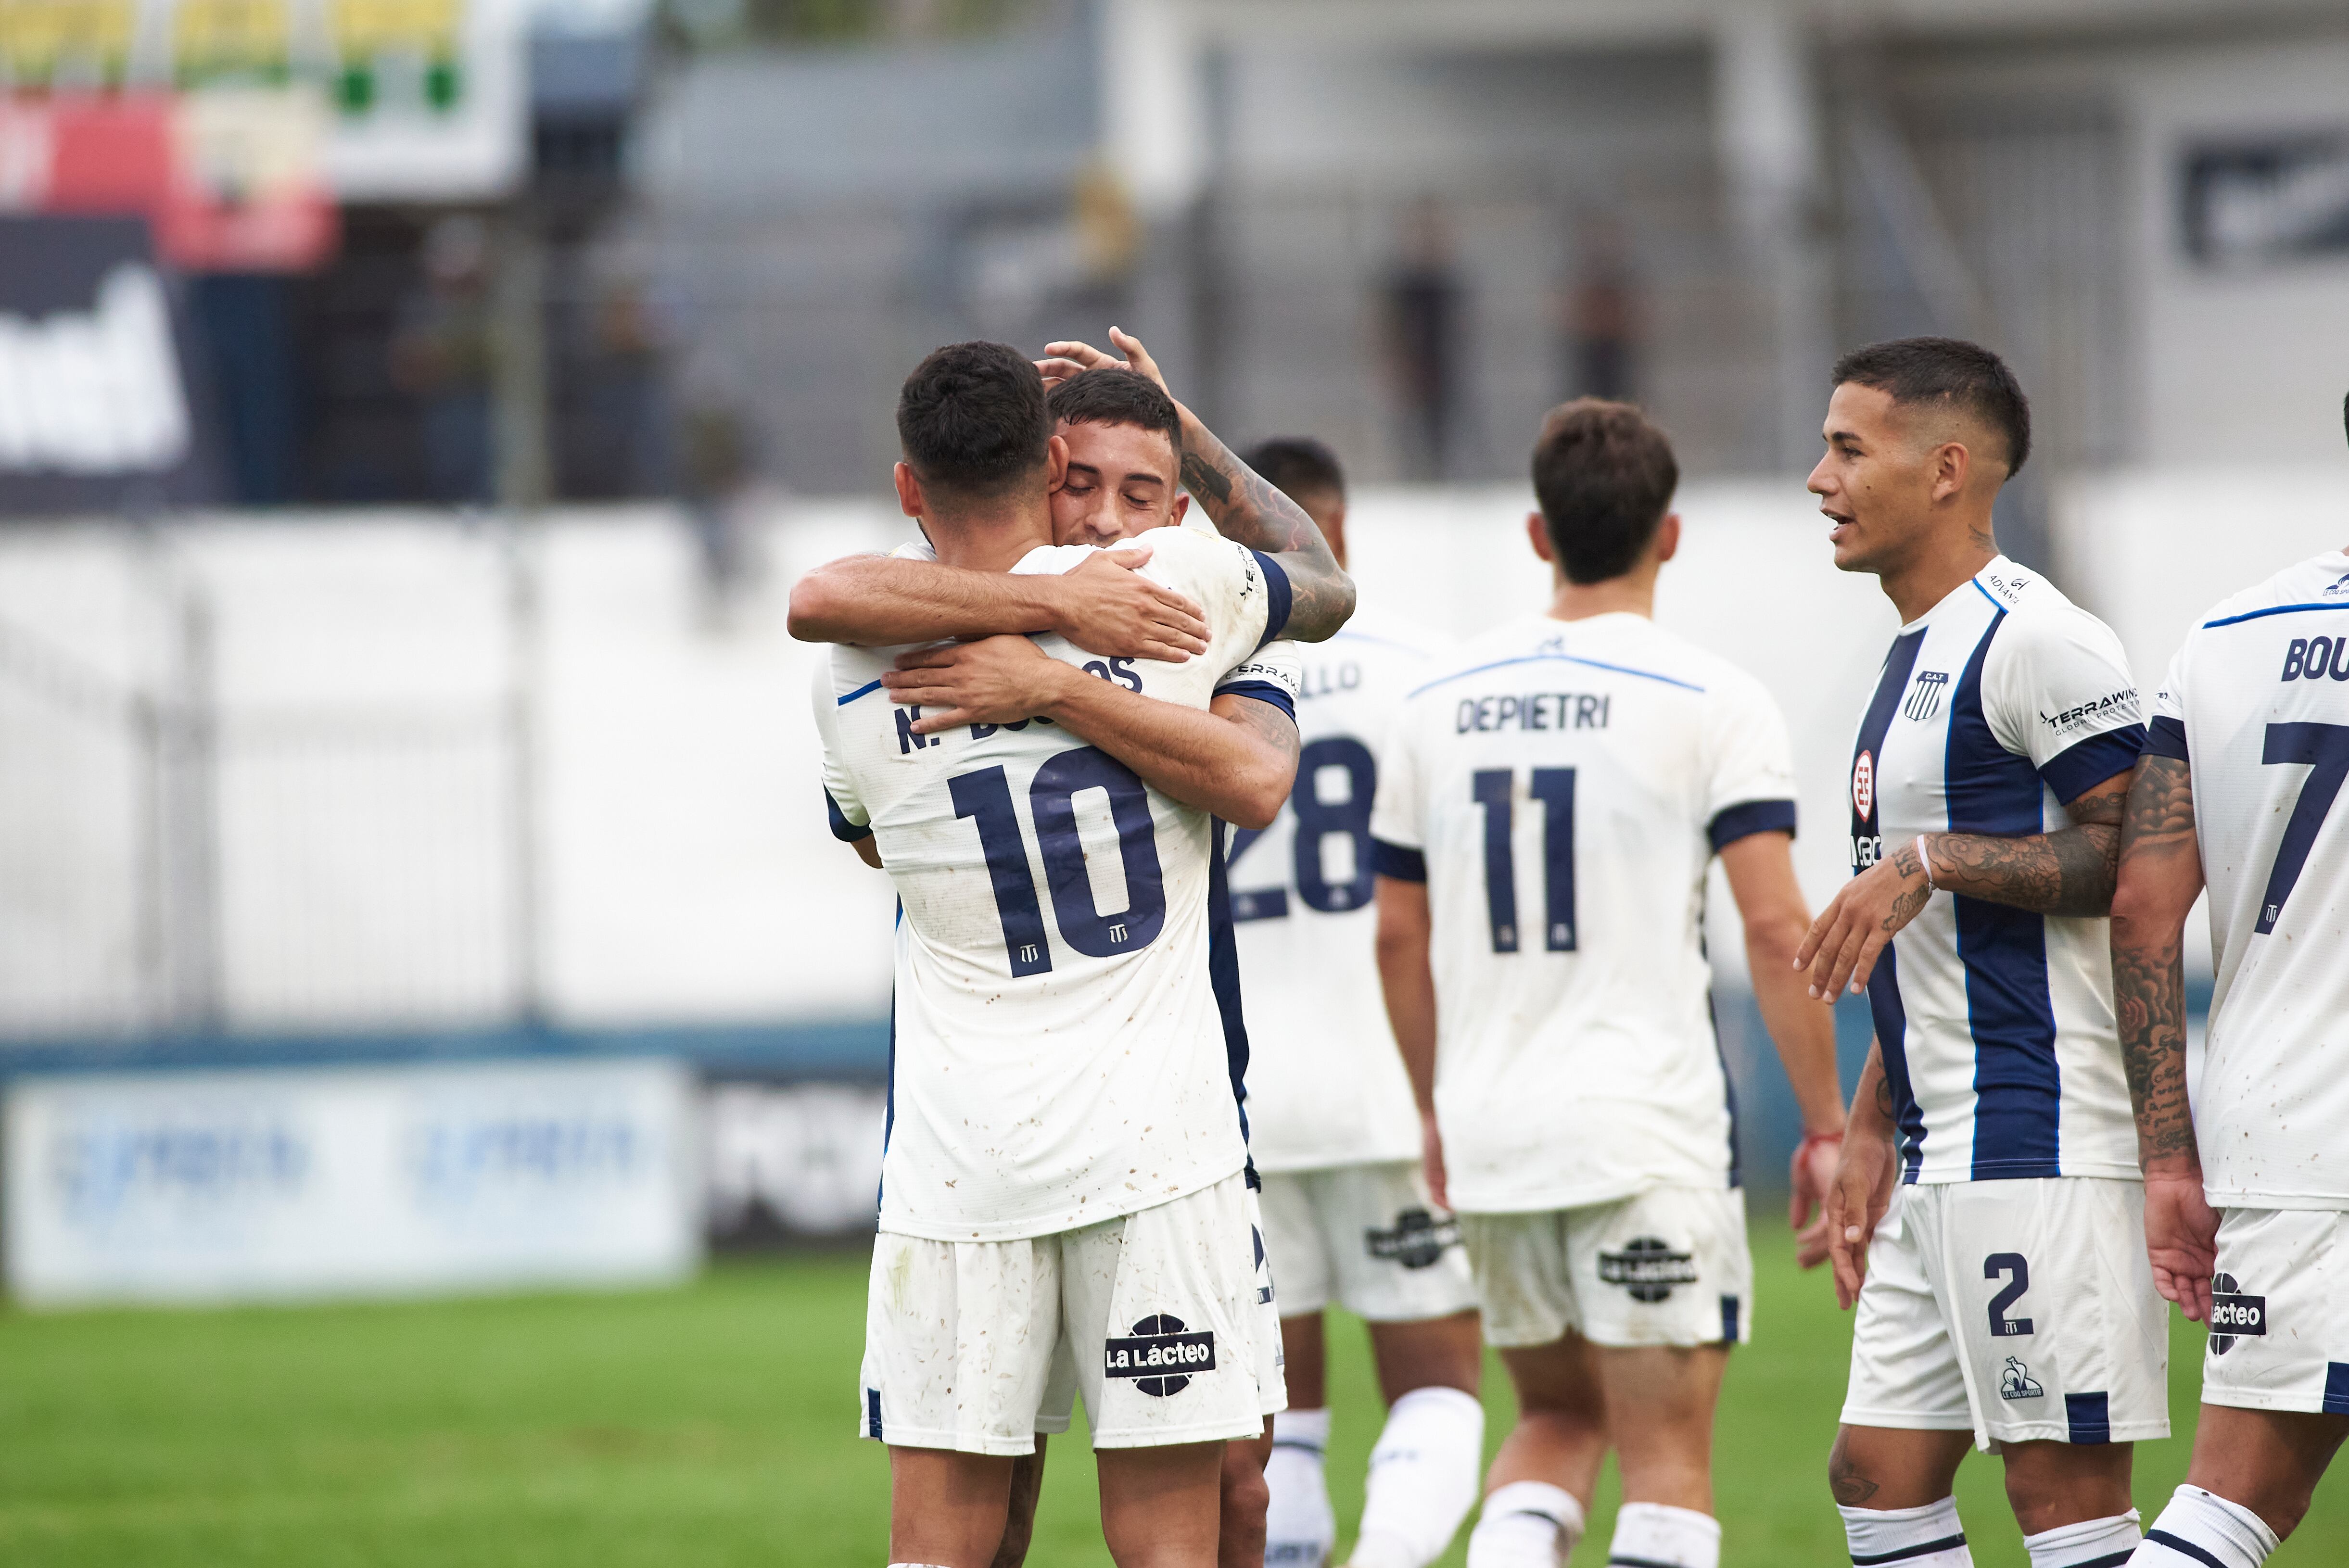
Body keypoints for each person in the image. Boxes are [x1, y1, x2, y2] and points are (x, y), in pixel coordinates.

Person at [794, 340, 1353, 1568]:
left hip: (960, 1164)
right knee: (1171, 1544)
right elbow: (1321, 575)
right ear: (1053, 462)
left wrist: (1037, 672)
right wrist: (1074, 616)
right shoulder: (1177, 588)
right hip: (1155, 1150)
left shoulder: (851, 668)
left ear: (907, 488)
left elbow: (869, 832)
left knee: (943, 1549)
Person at [1369, 398, 1849, 1568]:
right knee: (1668, 1465)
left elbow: (1395, 933)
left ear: (1540, 535)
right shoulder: (1712, 698)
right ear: (1669, 536)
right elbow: (1778, 920)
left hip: (1493, 1128)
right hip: (1644, 1130)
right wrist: (1828, 1124)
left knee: (1551, 1417)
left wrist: (1434, 1107)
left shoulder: (1432, 704)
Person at [1799, 338, 2160, 1568]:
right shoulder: (1909, 654)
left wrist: (1934, 858)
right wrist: (1864, 1121)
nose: (1818, 477)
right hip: (1933, 1138)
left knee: (2064, 1500)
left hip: (2038, 1134)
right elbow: (1927, 934)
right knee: (1878, 1478)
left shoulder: (2040, 638)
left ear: (1947, 469)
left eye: (1849, 448)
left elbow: (2136, 859)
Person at [1214, 437, 1485, 1568]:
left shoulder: (1187, 672)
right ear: (1337, 533)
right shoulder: (1430, 669)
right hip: (1394, 1088)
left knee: (1286, 1414)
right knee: (1439, 1390)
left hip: (1234, 1106)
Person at [2106, 501, 2349, 1565]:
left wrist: (2168, 1156)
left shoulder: (2226, 636)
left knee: (2231, 1504)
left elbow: (2141, 907)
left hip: (2284, 1131)